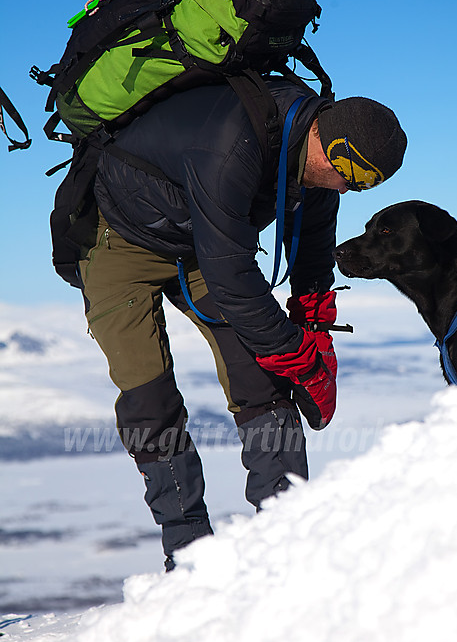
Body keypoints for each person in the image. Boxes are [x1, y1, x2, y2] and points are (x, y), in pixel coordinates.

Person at [79, 76, 407, 570]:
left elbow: (312, 246)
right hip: (120, 239)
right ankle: (189, 552)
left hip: (201, 241)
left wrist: (314, 324)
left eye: (363, 184)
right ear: (330, 143)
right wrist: (301, 360)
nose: (348, 186)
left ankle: (286, 531)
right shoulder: (233, 144)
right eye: (350, 174)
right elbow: (231, 276)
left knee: (260, 377)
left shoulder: (315, 161)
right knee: (150, 396)